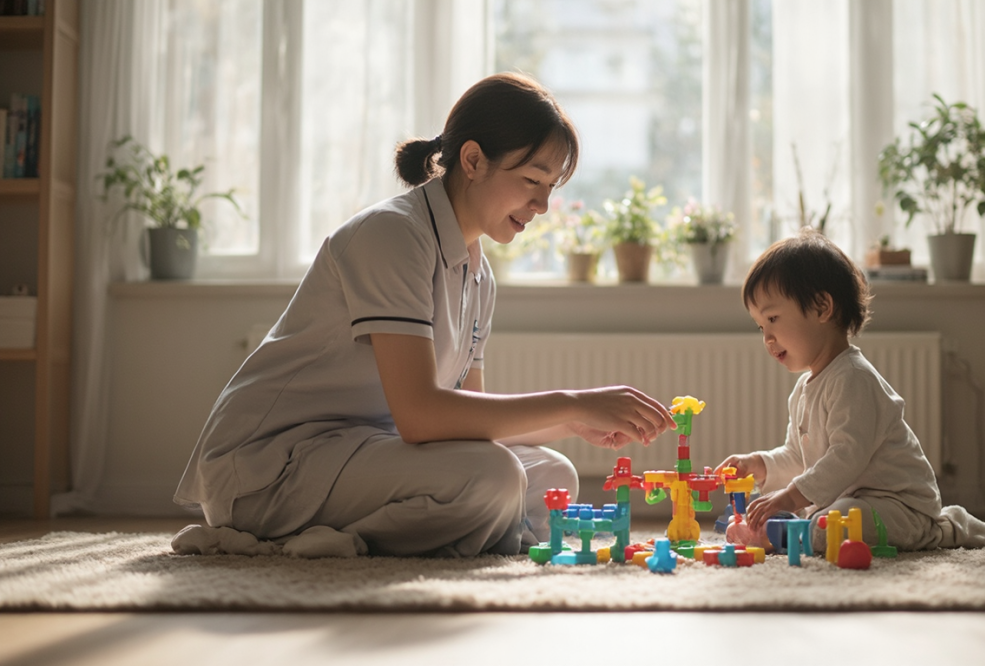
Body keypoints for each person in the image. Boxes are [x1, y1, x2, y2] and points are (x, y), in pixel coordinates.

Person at [173, 73, 676, 558]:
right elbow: (420, 417)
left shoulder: (478, 273)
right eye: (531, 180)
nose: (543, 204)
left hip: (361, 449)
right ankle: (303, 543)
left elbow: (469, 417)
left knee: (553, 476)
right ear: (473, 160)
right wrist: (573, 401)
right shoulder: (392, 235)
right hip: (273, 467)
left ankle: (412, 535)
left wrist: (572, 421)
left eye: (550, 188)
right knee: (494, 477)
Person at [716, 228, 985, 552]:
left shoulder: (853, 378)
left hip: (899, 506)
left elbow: (846, 456)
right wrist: (759, 463)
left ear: (822, 307)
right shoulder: (803, 390)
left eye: (773, 318)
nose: (767, 338)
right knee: (816, 513)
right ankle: (784, 532)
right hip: (853, 501)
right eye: (760, 326)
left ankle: (944, 527)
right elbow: (799, 458)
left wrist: (793, 496)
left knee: (832, 521)